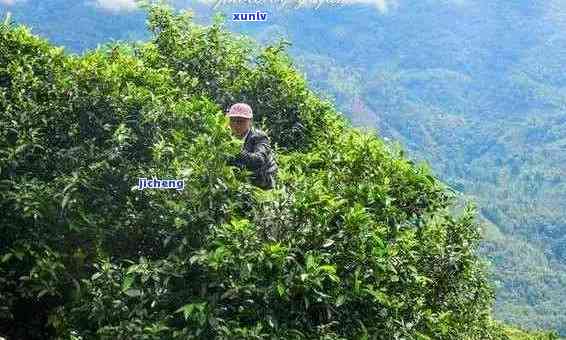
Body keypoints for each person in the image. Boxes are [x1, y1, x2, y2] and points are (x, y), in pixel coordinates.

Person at [227, 103, 278, 189]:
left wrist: (236, 152)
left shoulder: (259, 137)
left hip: (263, 179)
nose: (236, 125)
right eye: (232, 120)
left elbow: (259, 159)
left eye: (240, 121)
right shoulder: (228, 136)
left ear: (250, 121)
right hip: (242, 178)